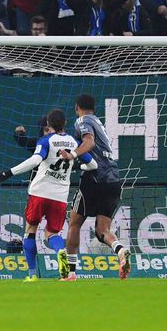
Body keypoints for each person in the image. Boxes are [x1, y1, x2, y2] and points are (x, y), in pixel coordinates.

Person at [0, 109, 98, 281]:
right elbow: (93, 165)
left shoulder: (46, 140)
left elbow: (35, 160)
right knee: (52, 233)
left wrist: (8, 173)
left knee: (30, 231)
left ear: (49, 124)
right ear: (64, 123)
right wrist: (77, 167)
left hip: (39, 192)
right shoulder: (74, 142)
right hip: (60, 196)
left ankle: (32, 274)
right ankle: (60, 251)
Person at [59, 94, 131, 281]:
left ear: (77, 108)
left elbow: (89, 142)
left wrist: (72, 154)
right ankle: (120, 250)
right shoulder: (98, 122)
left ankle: (71, 273)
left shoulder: (82, 120)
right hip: (114, 178)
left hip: (94, 178)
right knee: (102, 231)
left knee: (74, 223)